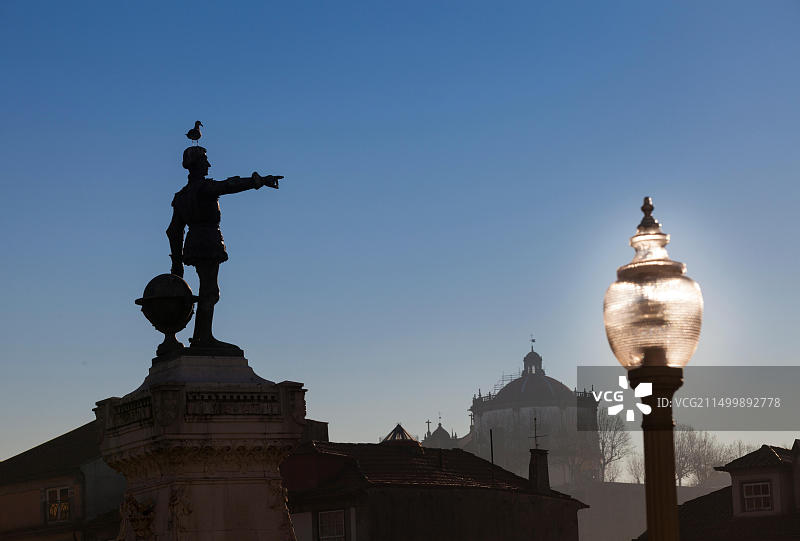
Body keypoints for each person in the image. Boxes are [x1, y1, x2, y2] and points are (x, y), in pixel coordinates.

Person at [166, 145, 282, 350]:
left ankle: (200, 337)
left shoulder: (181, 196)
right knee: (210, 290)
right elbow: (229, 185)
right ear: (197, 164)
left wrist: (177, 262)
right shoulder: (204, 188)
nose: (209, 164)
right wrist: (259, 181)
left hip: (194, 243)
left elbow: (174, 231)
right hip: (208, 241)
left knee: (207, 288)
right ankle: (203, 338)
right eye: (205, 160)